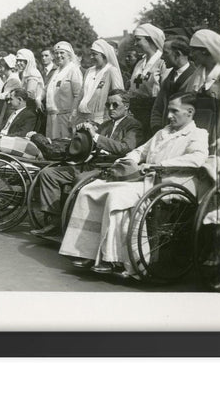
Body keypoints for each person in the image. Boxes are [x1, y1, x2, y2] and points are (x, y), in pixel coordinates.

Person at [60, 93, 209, 276]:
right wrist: (128, 160)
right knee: (89, 190)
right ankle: (85, 251)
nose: (169, 115)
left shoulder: (198, 134)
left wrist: (160, 165)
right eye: (168, 111)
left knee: (117, 197)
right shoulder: (162, 133)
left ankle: (113, 258)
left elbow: (197, 158)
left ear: (190, 112)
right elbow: (140, 151)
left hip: (170, 183)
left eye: (174, 111)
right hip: (146, 180)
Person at [30, 89, 143, 235]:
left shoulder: (133, 125)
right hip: (90, 165)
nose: (110, 108)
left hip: (109, 168)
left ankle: (75, 227)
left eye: (115, 105)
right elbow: (90, 141)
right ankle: (54, 220)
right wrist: (83, 131)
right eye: (108, 105)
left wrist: (95, 136)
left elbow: (125, 148)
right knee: (48, 174)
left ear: (126, 106)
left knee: (79, 179)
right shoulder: (106, 125)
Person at [72, 39, 125, 128]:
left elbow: (118, 96)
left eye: (94, 54)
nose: (91, 57)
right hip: (81, 118)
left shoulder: (111, 71)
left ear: (104, 55)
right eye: (91, 54)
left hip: (100, 120)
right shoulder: (89, 71)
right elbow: (81, 94)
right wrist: (74, 113)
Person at [150, 36, 197, 133]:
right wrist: (157, 129)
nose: (162, 57)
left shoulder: (196, 79)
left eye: (165, 53)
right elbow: (158, 107)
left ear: (178, 54)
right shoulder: (168, 78)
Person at [127, 24, 167, 138]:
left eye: (138, 39)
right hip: (136, 113)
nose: (135, 44)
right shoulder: (139, 63)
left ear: (150, 40)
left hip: (153, 112)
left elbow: (165, 92)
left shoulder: (162, 62)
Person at [44, 41, 83, 138]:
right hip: (52, 117)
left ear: (69, 55)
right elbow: (47, 88)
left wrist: (73, 115)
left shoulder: (73, 70)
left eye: (62, 53)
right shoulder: (56, 71)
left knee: (63, 143)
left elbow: (78, 95)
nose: (58, 56)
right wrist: (38, 98)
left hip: (65, 117)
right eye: (56, 53)